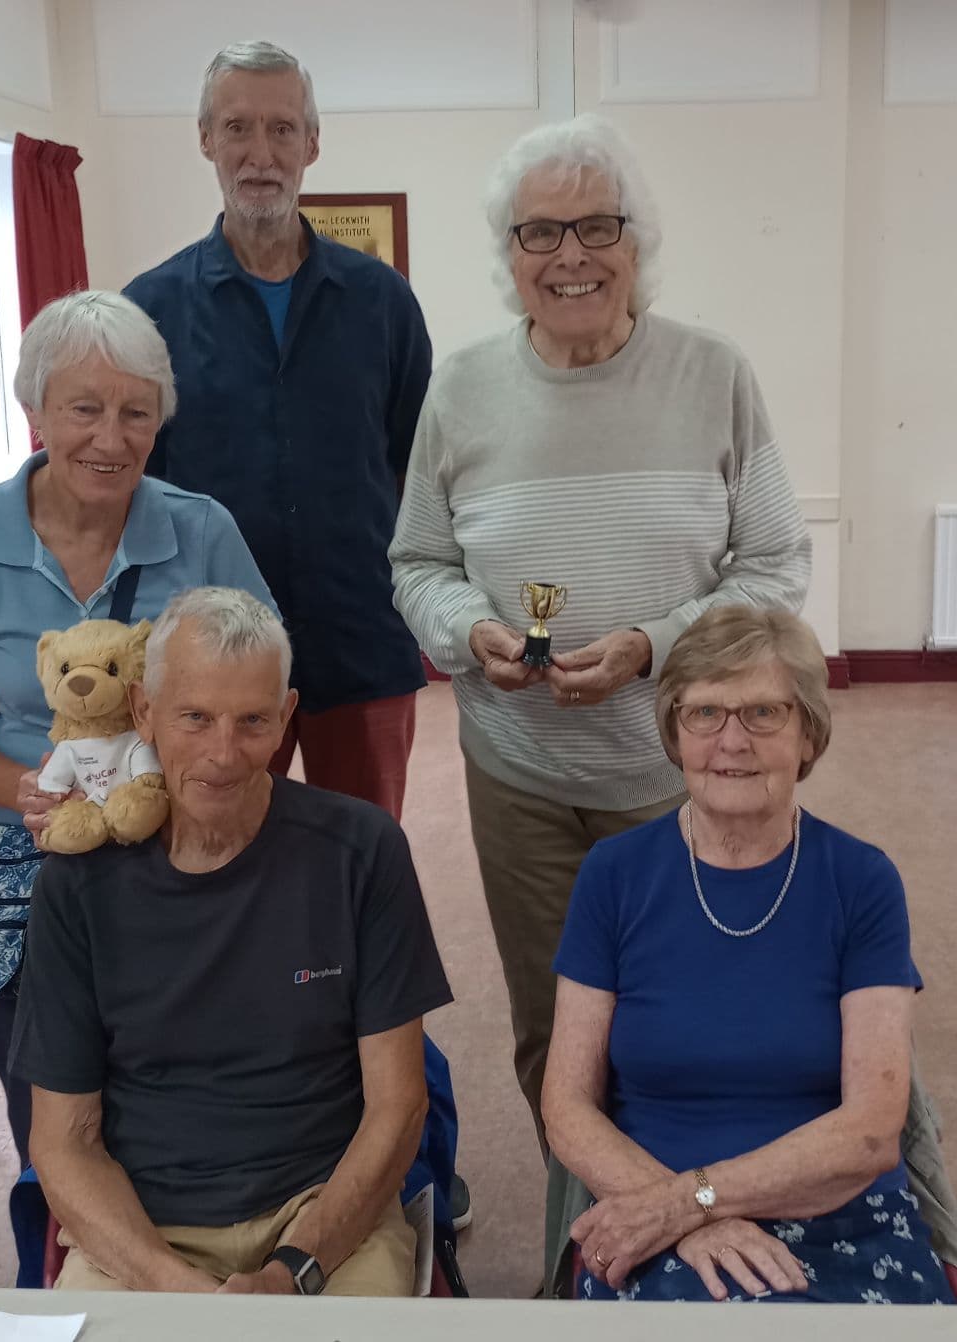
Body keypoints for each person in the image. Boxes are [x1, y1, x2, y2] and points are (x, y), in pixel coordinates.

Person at [389, 113, 811, 1154]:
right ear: (510, 255)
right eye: (540, 233)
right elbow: (418, 563)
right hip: (520, 775)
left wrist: (653, 644)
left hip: (689, 774)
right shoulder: (463, 388)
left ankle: (688, 1249)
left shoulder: (714, 374)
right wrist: (471, 628)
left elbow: (774, 567)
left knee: (691, 1030)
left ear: (638, 244)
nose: (570, 256)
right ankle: (584, 1262)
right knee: (555, 1032)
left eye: (596, 228)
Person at [0, 291, 273, 1169]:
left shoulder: (199, 529)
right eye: (84, 409)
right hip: (32, 835)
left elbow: (262, 696)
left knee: (185, 1078)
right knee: (46, 1092)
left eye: (135, 413)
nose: (111, 438)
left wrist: (202, 797)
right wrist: (33, 793)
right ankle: (61, 1232)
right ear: (33, 411)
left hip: (174, 827)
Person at [9, 588, 453, 1295]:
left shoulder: (361, 850)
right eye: (195, 717)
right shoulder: (76, 885)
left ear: (286, 717)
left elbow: (398, 1108)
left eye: (252, 721)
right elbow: (64, 1141)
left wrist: (294, 1270)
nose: (223, 754)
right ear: (142, 714)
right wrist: (168, 1282)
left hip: (322, 1214)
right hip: (144, 1226)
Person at [543, 605, 953, 1305]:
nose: (731, 741)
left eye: (763, 713)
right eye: (704, 714)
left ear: (807, 735)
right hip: (654, 1212)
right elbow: (567, 1105)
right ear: (675, 731)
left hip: (839, 1210)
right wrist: (679, 1218)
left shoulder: (861, 880)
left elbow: (871, 1131)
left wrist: (697, 1200)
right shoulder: (615, 874)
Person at [124, 39, 431, 821]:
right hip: (209, 667)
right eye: (237, 128)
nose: (260, 154)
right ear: (205, 140)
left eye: (282, 129)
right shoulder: (149, 310)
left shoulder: (382, 302)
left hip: (360, 642)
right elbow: (133, 490)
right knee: (210, 859)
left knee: (359, 863)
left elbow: (415, 470)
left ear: (312, 143)